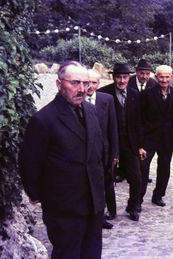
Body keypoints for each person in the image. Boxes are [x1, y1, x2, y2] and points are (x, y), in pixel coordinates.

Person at [19, 61, 105, 258]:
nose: (82, 89)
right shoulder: (44, 119)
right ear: (59, 84)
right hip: (64, 208)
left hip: (94, 202)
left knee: (92, 254)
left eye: (85, 83)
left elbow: (98, 151)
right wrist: (37, 194)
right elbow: (29, 163)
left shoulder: (91, 112)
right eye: (75, 83)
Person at [98, 63, 145, 221]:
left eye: (125, 77)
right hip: (110, 144)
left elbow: (139, 122)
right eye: (118, 77)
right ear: (113, 77)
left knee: (136, 178)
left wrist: (140, 145)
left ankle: (133, 207)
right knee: (109, 179)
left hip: (130, 144)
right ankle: (111, 210)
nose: (122, 80)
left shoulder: (135, 94)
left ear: (129, 78)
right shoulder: (103, 93)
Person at [140, 65, 173, 207]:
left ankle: (158, 196)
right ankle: (137, 199)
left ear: (172, 77)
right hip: (149, 138)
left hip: (168, 139)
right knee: (143, 169)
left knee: (164, 168)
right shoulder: (147, 94)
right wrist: (140, 142)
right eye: (161, 76)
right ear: (156, 77)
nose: (164, 79)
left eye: (167, 76)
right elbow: (140, 119)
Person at [87, 69, 119, 229]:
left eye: (94, 83)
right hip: (86, 153)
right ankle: (93, 216)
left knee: (107, 183)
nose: (90, 86)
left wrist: (115, 153)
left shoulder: (106, 99)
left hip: (104, 152)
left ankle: (110, 212)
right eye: (87, 82)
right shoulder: (78, 100)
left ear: (99, 84)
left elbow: (113, 128)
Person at [127, 59, 157, 183]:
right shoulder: (128, 82)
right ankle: (125, 172)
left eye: (147, 74)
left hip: (147, 121)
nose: (144, 76)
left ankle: (143, 173)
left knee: (146, 150)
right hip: (130, 118)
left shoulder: (154, 84)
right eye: (142, 73)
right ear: (137, 72)